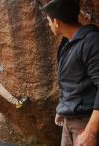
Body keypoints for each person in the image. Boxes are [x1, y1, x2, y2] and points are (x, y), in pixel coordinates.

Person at [43, 0, 99, 146]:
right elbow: (70, 82)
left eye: (48, 21)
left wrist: (90, 132)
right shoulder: (67, 43)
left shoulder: (91, 41)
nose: (48, 25)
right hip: (70, 119)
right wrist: (63, 107)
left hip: (86, 122)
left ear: (56, 22)